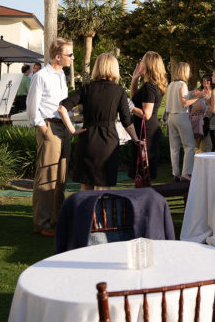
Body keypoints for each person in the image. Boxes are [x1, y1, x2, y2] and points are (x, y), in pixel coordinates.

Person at [57, 53, 140, 190]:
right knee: (103, 189)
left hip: (87, 140)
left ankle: (86, 212)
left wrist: (72, 130)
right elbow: (127, 122)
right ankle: (102, 212)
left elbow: (62, 108)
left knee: (86, 188)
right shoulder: (118, 91)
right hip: (108, 143)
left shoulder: (87, 88)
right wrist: (136, 139)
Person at [26, 37, 73, 237]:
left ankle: (56, 219)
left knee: (61, 176)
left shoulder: (61, 74)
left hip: (64, 128)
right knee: (46, 177)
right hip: (49, 127)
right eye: (69, 55)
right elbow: (31, 106)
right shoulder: (41, 76)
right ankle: (42, 223)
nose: (72, 58)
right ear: (57, 56)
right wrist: (42, 128)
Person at [129, 51, 167, 184]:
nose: (140, 63)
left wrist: (126, 106)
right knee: (142, 172)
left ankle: (144, 202)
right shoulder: (150, 85)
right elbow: (133, 99)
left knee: (143, 172)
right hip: (146, 130)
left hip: (146, 132)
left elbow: (146, 114)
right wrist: (134, 79)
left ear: (149, 65)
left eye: (143, 60)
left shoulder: (149, 87)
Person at [164, 61, 201, 181]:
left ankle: (175, 173)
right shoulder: (182, 84)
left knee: (174, 147)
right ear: (184, 71)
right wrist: (197, 98)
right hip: (181, 116)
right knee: (189, 145)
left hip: (171, 118)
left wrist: (192, 94)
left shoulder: (170, 85)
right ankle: (186, 173)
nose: (189, 73)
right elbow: (184, 103)